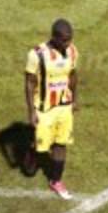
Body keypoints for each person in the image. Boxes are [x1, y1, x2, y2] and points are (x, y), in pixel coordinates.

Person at [23, 19, 79, 200]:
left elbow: (72, 75)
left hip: (63, 106)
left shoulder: (72, 51)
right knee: (32, 165)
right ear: (54, 37)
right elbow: (30, 84)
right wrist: (31, 111)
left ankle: (56, 180)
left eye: (69, 39)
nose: (67, 43)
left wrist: (74, 99)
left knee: (61, 144)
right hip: (44, 109)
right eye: (64, 40)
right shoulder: (37, 54)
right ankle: (33, 150)